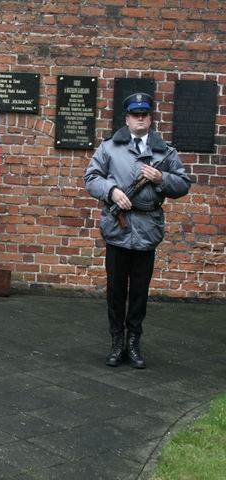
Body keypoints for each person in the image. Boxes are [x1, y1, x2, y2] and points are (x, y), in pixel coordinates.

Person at [85, 92, 191, 369]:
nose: (140, 117)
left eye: (144, 113)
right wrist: (113, 191)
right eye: (135, 114)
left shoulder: (164, 152)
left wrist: (161, 177)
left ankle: (134, 342)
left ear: (150, 118)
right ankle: (116, 341)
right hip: (117, 230)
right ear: (127, 118)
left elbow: (182, 184)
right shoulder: (109, 147)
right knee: (116, 289)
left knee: (140, 291)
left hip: (147, 229)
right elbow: (91, 178)